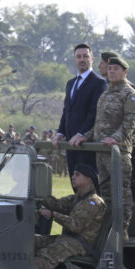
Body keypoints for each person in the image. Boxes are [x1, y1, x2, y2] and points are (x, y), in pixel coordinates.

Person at [82, 56, 135, 236]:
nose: (112, 72)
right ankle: (108, 229)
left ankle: (123, 230)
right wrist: (84, 136)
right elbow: (99, 124)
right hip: (101, 152)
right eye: (110, 69)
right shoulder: (105, 93)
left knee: (121, 192)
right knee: (105, 192)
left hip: (118, 152)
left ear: (125, 72)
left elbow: (131, 122)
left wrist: (114, 138)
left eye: (116, 69)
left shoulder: (129, 94)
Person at [34, 163, 106, 269]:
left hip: (79, 244)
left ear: (88, 179)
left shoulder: (93, 202)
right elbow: (56, 204)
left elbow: (75, 225)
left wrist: (53, 215)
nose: (72, 177)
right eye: (73, 174)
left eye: (77, 174)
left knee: (43, 257)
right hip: (67, 239)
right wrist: (37, 192)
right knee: (31, 241)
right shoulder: (76, 198)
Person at [53, 43, 107, 177]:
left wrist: (81, 133)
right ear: (74, 60)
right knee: (75, 182)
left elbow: (94, 113)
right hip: (70, 144)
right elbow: (67, 111)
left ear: (92, 59)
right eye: (78, 57)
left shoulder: (99, 83)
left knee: (89, 182)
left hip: (87, 144)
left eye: (85, 56)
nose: (82, 59)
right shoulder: (70, 83)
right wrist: (60, 132)